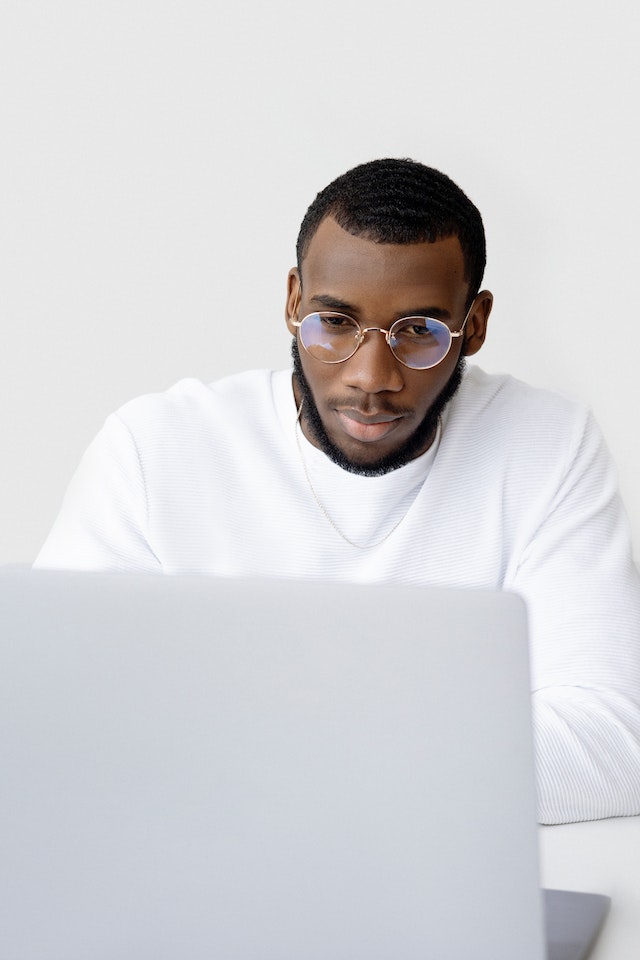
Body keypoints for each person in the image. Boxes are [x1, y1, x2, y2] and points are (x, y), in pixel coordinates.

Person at [35, 158, 640, 825]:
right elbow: (55, 716)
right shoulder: (156, 450)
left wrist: (254, 757)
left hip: (429, 882)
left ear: (474, 323)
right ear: (293, 302)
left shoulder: (545, 446)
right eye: (336, 322)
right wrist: (416, 756)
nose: (370, 376)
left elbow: (613, 746)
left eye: (419, 332)